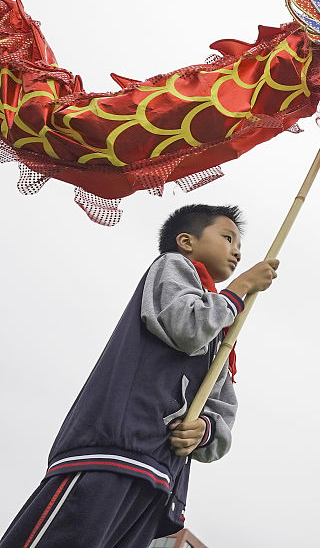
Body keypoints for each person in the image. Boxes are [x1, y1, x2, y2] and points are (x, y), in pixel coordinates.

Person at [0, 204, 279, 548]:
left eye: (239, 245)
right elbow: (186, 326)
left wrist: (203, 431)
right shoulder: (174, 267)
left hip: (160, 479)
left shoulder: (221, 330)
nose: (237, 251)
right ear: (186, 241)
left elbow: (222, 414)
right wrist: (238, 289)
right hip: (112, 451)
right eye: (228, 238)